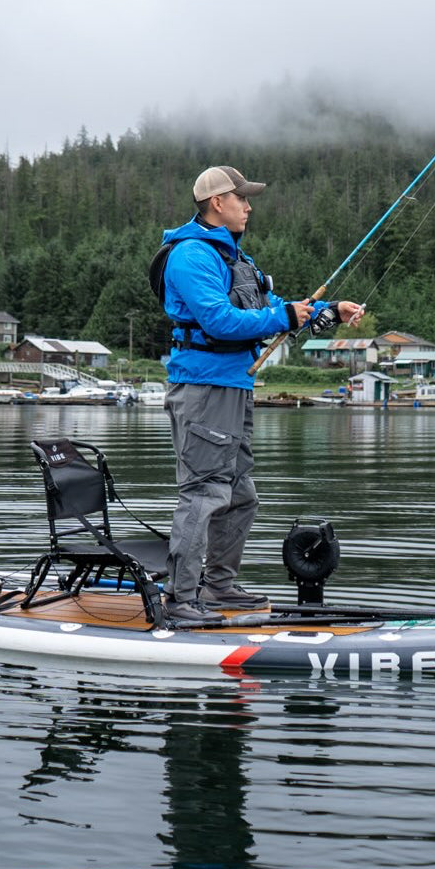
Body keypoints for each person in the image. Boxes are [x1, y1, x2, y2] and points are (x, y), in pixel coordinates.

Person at [159, 165, 364, 623]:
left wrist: (329, 311)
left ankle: (218, 588)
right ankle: (179, 600)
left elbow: (272, 309)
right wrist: (284, 317)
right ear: (218, 203)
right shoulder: (191, 255)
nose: (249, 207)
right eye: (242, 199)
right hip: (204, 389)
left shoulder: (237, 259)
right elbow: (218, 321)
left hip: (234, 388)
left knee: (240, 494)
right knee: (204, 493)